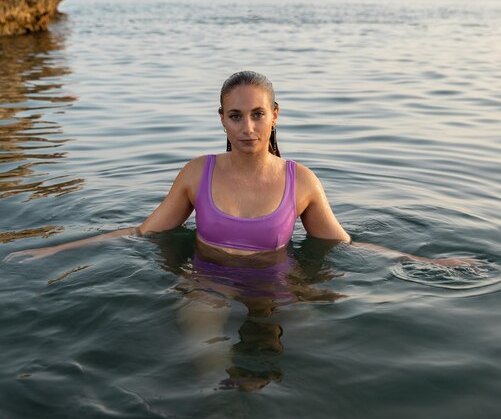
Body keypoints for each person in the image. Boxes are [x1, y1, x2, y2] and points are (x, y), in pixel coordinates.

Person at [4, 71, 472, 266]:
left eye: (257, 114)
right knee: (210, 370)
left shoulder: (301, 181)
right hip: (207, 283)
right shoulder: (196, 174)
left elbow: (344, 245)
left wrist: (428, 262)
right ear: (222, 120)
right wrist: (53, 252)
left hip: (278, 284)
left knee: (286, 367)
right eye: (235, 116)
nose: (247, 127)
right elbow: (141, 233)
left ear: (275, 115)